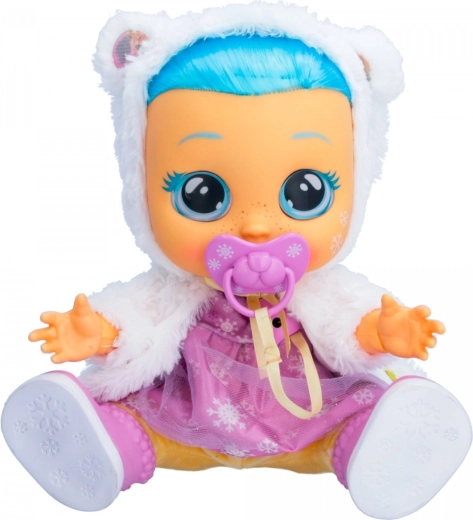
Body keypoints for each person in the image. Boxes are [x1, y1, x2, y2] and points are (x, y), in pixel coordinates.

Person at [2, 4, 471, 518]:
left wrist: (381, 333)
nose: (256, 227)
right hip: (188, 411)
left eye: (305, 193)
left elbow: (347, 328)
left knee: (362, 406)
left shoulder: (321, 289)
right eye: (202, 195)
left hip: (310, 414)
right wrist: (98, 333)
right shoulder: (175, 288)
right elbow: (138, 321)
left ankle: (376, 450)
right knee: (130, 412)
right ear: (141, 184)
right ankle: (106, 450)